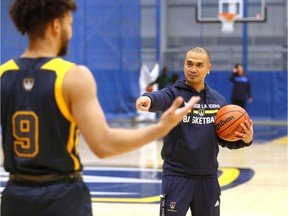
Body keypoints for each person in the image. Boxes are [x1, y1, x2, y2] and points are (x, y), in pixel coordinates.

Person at [0, 1, 201, 216]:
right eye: (70, 23)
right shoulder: (73, 76)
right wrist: (160, 129)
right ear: (56, 25)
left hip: (14, 197)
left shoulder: (4, 74)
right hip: (61, 197)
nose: (70, 31)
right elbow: (103, 145)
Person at [136, 47, 254, 216]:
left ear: (208, 68)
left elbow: (223, 139)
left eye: (199, 65)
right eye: (189, 64)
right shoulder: (174, 94)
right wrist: (147, 98)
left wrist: (246, 139)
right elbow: (159, 97)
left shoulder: (218, 102)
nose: (193, 69)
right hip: (177, 177)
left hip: (208, 178)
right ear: (184, 66)